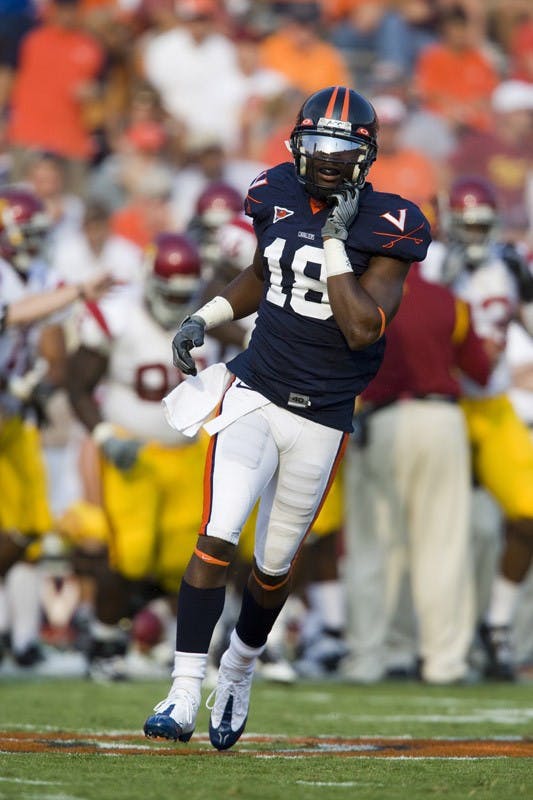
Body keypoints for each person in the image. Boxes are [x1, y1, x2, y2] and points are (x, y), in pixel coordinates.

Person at [142, 85, 431, 750]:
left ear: (365, 153)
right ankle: (183, 691)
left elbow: (361, 326)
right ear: (296, 145)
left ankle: (239, 668)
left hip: (322, 416)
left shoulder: (392, 222)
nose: (327, 159)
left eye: (341, 147)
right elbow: (260, 273)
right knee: (215, 537)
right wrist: (206, 316)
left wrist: (335, 240)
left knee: (272, 570)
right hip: (255, 392)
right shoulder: (271, 190)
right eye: (317, 145)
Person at [66, 232, 215, 679]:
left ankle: (184, 654)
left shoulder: (211, 317)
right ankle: (105, 643)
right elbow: (77, 385)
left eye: (184, 293)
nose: (176, 302)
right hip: (132, 453)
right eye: (169, 291)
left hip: (187, 454)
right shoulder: (119, 317)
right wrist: (105, 434)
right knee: (125, 556)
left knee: (186, 558)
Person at [342, 261, 491, 685]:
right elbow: (481, 368)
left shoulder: (359, 294)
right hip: (441, 420)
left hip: (380, 420)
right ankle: (444, 661)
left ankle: (372, 656)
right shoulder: (450, 300)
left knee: (374, 547)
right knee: (442, 546)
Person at [421, 175, 533, 680]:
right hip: (445, 407)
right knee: (436, 532)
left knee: (528, 513)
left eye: (480, 226)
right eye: (464, 227)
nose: (473, 236)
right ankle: (427, 641)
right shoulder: (432, 262)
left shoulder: (509, 264)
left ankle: (498, 626)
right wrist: (446, 271)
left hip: (494, 407)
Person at [0, 185, 111, 666]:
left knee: (31, 527)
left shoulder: (40, 272)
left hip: (13, 412)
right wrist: (79, 290)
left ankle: (21, 639)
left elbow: (53, 336)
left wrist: (44, 376)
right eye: (27, 231)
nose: (33, 240)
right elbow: (14, 314)